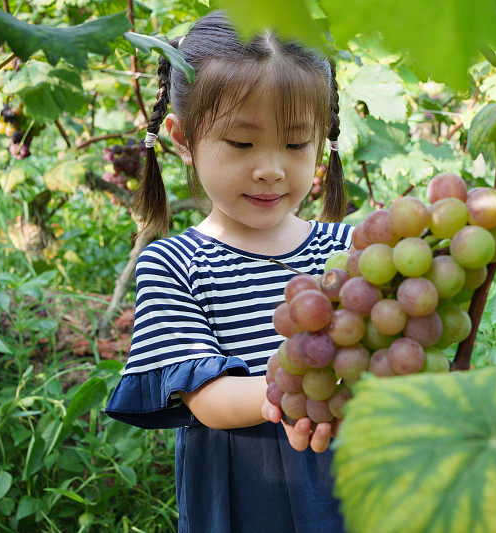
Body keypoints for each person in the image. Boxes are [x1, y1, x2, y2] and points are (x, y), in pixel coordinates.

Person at [104, 10, 352, 532]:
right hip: (249, 493)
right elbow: (211, 400)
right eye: (241, 143)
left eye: (295, 144)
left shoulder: (345, 252)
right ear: (183, 139)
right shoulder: (176, 265)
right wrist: (313, 387)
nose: (270, 168)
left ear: (321, 141)